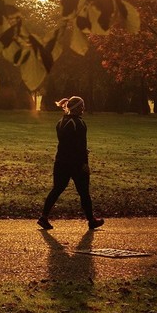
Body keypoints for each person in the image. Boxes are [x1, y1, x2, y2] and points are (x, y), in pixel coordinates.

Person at [38, 95, 105, 231]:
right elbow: (80, 146)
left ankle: (43, 217)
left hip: (61, 161)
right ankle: (91, 220)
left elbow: (66, 143)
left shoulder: (61, 122)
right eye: (82, 106)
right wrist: (84, 163)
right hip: (75, 163)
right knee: (84, 192)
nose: (83, 108)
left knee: (57, 189)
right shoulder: (79, 123)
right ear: (78, 108)